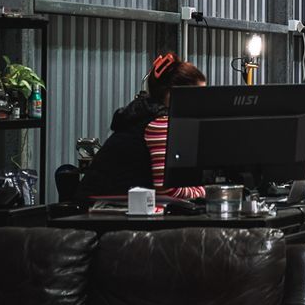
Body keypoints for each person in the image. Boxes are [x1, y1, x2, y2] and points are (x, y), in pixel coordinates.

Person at [79, 53, 208, 200]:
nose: (201, 103)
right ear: (173, 94)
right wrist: (207, 191)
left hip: (100, 204)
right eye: (198, 94)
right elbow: (167, 191)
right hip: (100, 209)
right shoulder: (160, 123)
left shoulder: (144, 115)